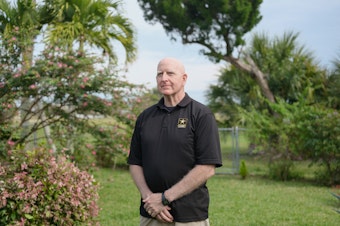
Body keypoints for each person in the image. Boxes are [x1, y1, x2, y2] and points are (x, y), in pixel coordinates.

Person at [128, 57, 222, 226]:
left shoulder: (201, 115)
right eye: (159, 74)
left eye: (170, 73)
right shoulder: (145, 117)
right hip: (151, 214)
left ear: (184, 78)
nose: (164, 78)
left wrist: (164, 198)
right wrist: (149, 198)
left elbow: (207, 168)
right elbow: (135, 163)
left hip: (190, 215)